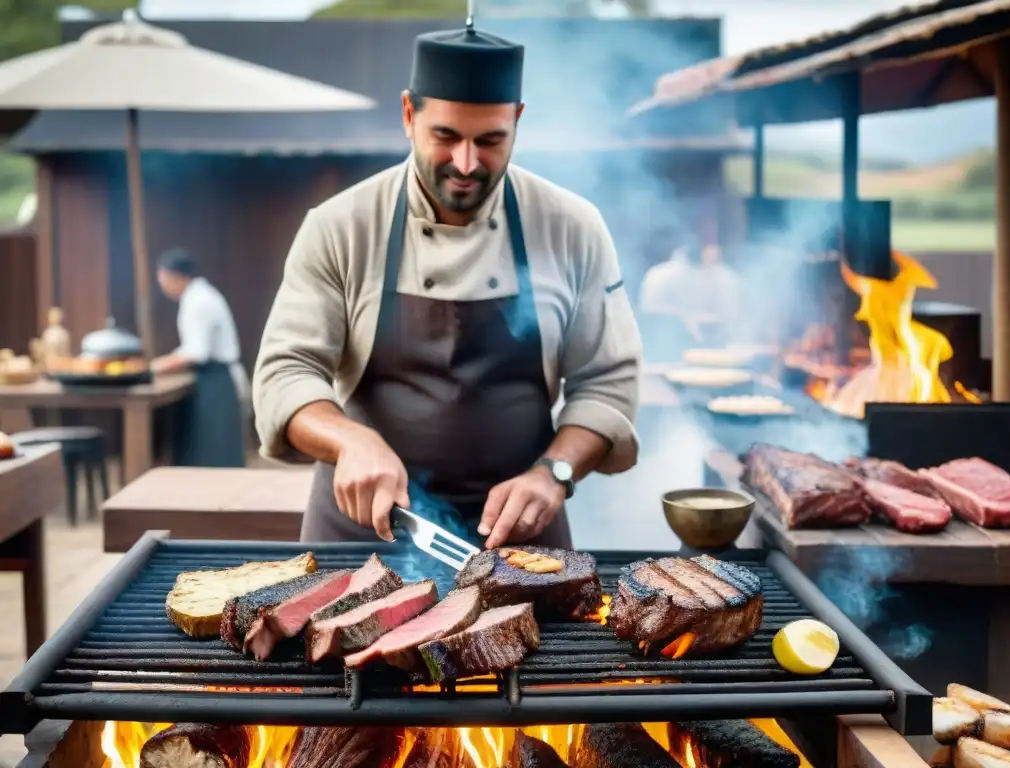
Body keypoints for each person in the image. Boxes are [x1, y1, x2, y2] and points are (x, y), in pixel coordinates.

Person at [253, 24, 642, 550]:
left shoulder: (571, 226)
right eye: (445, 137)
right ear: (409, 115)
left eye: (490, 140)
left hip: (519, 541)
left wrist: (554, 473)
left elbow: (607, 384)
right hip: (365, 529)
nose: (466, 163)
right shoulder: (341, 226)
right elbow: (285, 374)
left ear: (517, 121)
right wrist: (349, 439)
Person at [151, 248, 248, 468]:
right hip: (212, 378)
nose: (162, 285)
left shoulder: (199, 301)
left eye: (163, 278)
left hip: (216, 379)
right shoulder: (198, 295)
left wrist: (154, 367)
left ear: (175, 276)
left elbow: (196, 352)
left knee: (215, 452)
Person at [639, 242, 741, 351]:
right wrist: (683, 318)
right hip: (666, 350)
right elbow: (648, 314)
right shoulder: (660, 277)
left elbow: (732, 319)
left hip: (716, 352)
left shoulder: (725, 278)